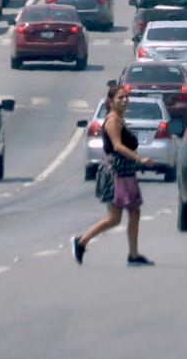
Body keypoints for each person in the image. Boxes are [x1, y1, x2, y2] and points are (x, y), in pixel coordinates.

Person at [73, 84, 154, 267]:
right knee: (114, 217)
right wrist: (139, 158)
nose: (124, 100)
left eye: (126, 97)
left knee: (133, 212)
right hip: (115, 172)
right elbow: (117, 146)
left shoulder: (120, 119)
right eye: (120, 98)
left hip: (125, 171)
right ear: (110, 101)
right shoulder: (112, 121)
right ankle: (80, 242)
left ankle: (133, 255)